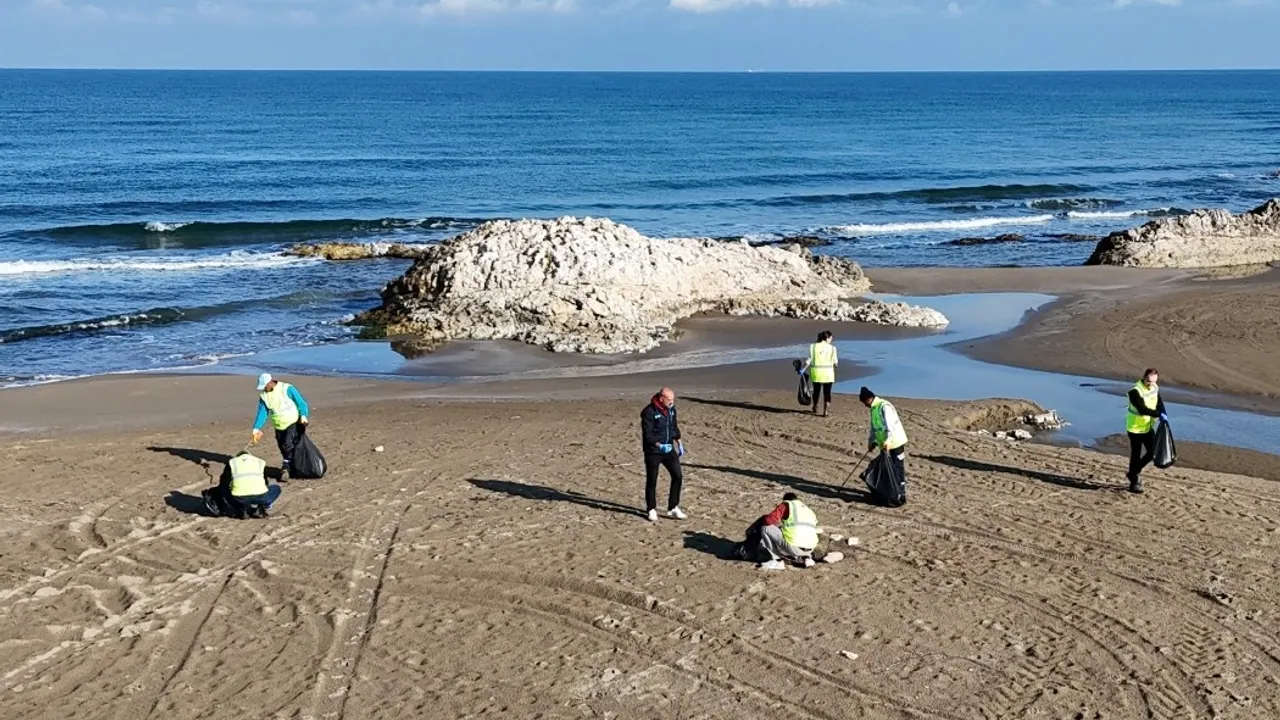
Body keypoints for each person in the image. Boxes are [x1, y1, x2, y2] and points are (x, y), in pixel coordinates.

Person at [250, 373, 310, 479]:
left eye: (265, 386)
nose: (264, 388)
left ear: (270, 382)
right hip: (278, 425)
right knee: (282, 446)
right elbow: (262, 413)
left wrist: (303, 415)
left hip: (292, 421)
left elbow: (300, 402)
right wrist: (256, 427)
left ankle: (286, 467)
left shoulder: (287, 388)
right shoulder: (264, 396)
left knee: (288, 444)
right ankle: (291, 466)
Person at [741, 492, 820, 571]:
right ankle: (806, 558)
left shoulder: (787, 504)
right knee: (789, 533)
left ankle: (777, 561)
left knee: (765, 528)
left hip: (795, 547)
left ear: (786, 500)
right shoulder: (808, 510)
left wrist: (763, 518)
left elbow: (768, 520)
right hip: (810, 548)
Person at [641, 387, 686, 522]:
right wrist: (659, 445)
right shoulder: (648, 412)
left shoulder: (671, 410)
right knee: (652, 480)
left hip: (669, 449)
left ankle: (673, 506)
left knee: (677, 476)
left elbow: (673, 426)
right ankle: (651, 509)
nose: (672, 402)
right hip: (653, 451)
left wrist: (679, 441)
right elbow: (648, 435)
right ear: (661, 399)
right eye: (669, 399)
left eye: (673, 399)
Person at [202, 451, 282, 519]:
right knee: (276, 488)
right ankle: (261, 508)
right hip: (260, 496)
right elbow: (265, 483)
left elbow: (224, 483)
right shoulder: (260, 462)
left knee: (226, 490)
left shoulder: (232, 462)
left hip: (240, 497)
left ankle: (242, 509)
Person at [1125, 367, 1167, 494]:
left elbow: (1159, 401)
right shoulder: (1135, 391)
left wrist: (1163, 413)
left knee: (1153, 452)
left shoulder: (1154, 387)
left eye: (1154, 381)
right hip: (1135, 428)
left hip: (1147, 427)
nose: (1151, 384)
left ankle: (1133, 473)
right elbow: (1142, 409)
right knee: (1136, 454)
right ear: (1144, 378)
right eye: (1149, 381)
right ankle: (1134, 482)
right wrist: (1158, 414)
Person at [861, 385, 908, 488]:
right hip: (884, 444)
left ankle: (900, 490)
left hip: (895, 442)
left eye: (865, 402)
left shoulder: (884, 406)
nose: (865, 405)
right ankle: (892, 488)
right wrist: (871, 442)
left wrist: (888, 441)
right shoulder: (874, 409)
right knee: (887, 467)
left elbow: (890, 426)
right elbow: (874, 428)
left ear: (869, 398)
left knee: (897, 466)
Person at [804, 330, 838, 416]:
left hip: (816, 373)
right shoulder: (832, 348)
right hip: (828, 374)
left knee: (816, 391)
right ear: (827, 338)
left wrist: (803, 369)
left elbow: (808, 360)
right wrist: (834, 364)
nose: (831, 339)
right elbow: (835, 363)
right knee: (827, 392)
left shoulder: (813, 346)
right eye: (831, 338)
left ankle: (815, 406)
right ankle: (825, 411)